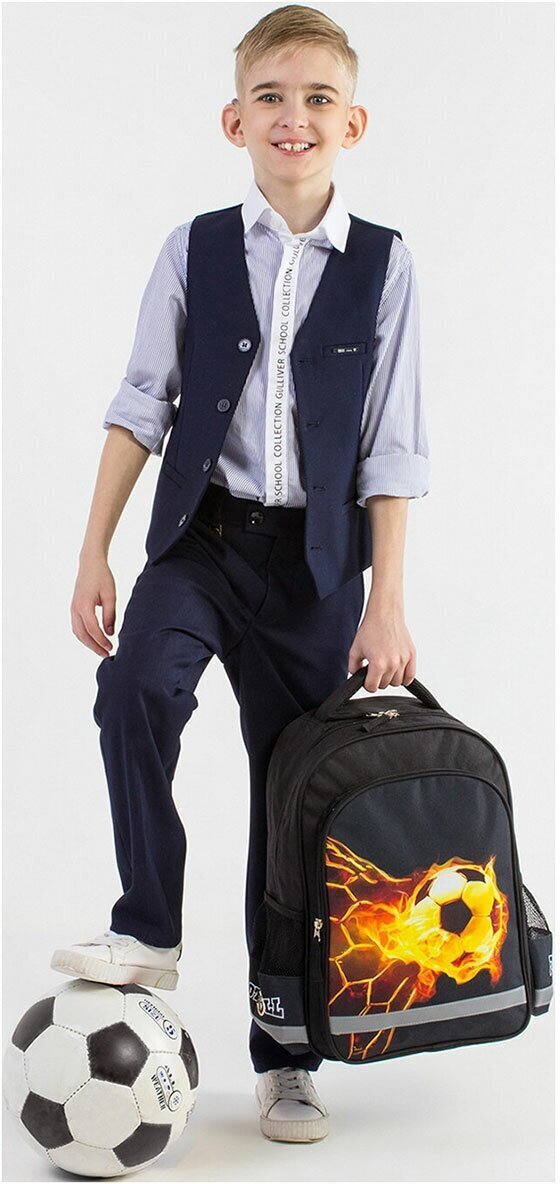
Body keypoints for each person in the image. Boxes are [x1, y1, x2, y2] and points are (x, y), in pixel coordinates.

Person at [51, 4, 430, 1143]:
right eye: (270, 96)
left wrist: (386, 601)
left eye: (317, 98)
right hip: (202, 543)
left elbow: (392, 447)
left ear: (353, 121)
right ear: (234, 120)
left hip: (317, 571)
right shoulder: (196, 248)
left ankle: (288, 1052)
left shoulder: (384, 264)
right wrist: (94, 549)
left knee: (294, 799)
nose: (292, 117)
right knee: (134, 689)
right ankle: (148, 924)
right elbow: (140, 405)